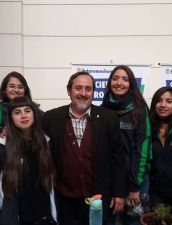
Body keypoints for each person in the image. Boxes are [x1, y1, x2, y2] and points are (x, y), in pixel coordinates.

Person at [42, 71, 126, 225]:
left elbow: (118, 158)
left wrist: (119, 193)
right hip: (64, 201)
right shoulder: (50, 118)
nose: (83, 93)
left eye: (88, 89)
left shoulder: (109, 118)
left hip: (98, 200)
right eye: (78, 88)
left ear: (94, 92)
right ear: (69, 91)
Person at [0, 97, 57, 225]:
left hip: (45, 219)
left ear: (34, 114)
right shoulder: (1, 146)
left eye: (27, 111)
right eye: (17, 112)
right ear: (11, 118)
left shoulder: (46, 142)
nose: (23, 115)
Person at [101, 65, 151, 225]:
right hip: (110, 181)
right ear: (109, 82)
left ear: (131, 84)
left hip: (134, 180)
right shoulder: (101, 109)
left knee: (132, 221)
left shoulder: (139, 111)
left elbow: (142, 149)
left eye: (125, 79)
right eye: (115, 78)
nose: (119, 82)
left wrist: (134, 186)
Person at [148, 87, 172, 216]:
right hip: (154, 192)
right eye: (159, 101)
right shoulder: (146, 126)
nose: (163, 105)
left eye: (169, 101)